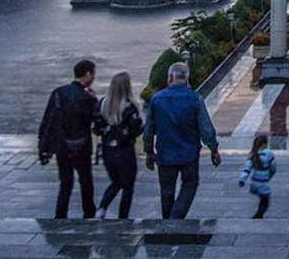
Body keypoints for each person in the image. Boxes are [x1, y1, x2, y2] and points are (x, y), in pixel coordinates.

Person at [142, 62, 222, 219]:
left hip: (165, 154)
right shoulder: (195, 99)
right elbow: (206, 129)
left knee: (166, 190)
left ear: (170, 77)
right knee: (190, 184)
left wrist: (149, 152)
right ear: (187, 79)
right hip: (189, 155)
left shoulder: (157, 100)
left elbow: (148, 130)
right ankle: (176, 217)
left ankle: (168, 222)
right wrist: (214, 149)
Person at [38, 59, 97, 219]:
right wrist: (94, 100)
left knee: (65, 183)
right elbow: (95, 119)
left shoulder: (58, 93)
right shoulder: (85, 98)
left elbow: (47, 120)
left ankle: (60, 215)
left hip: (62, 146)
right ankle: (89, 214)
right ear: (87, 74)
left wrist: (42, 146)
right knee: (86, 182)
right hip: (81, 146)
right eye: (93, 74)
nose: (93, 78)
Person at [92, 71, 143, 219]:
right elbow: (136, 129)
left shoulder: (102, 104)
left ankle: (102, 208)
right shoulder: (129, 106)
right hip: (125, 151)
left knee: (115, 182)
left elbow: (96, 128)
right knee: (128, 187)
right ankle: (123, 217)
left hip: (108, 151)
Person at [237, 133, 277, 219]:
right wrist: (270, 175)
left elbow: (246, 170)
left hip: (254, 183)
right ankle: (258, 216)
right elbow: (273, 167)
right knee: (265, 201)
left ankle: (259, 214)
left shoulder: (253, 155)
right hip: (263, 183)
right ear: (264, 144)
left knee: (262, 199)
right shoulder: (269, 154)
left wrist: (242, 180)